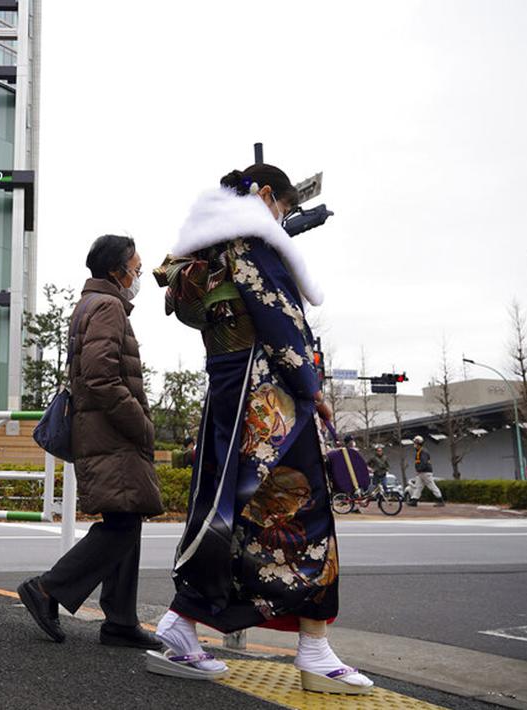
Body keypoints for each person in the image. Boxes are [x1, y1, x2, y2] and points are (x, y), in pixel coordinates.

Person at [150, 164, 373, 693]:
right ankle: (314, 649)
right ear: (266, 196)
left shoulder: (205, 254)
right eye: (284, 209)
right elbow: (280, 323)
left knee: (225, 511)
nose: (284, 220)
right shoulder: (253, 244)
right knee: (304, 509)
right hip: (267, 399)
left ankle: (182, 623)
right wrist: (312, 388)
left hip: (227, 390)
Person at [17, 235, 164, 650]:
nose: (138, 275)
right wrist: (141, 425)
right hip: (112, 434)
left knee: (126, 517)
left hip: (104, 431)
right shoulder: (108, 306)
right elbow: (101, 377)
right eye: (135, 269)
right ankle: (47, 590)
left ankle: (120, 620)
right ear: (117, 271)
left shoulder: (92, 304)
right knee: (121, 525)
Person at [407, 435, 444, 507]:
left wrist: (419, 470)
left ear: (418, 444)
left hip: (425, 472)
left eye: (415, 443)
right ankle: (414, 501)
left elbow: (424, 463)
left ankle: (440, 500)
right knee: (418, 487)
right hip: (421, 473)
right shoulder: (419, 451)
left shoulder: (423, 452)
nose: (414, 445)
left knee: (432, 486)